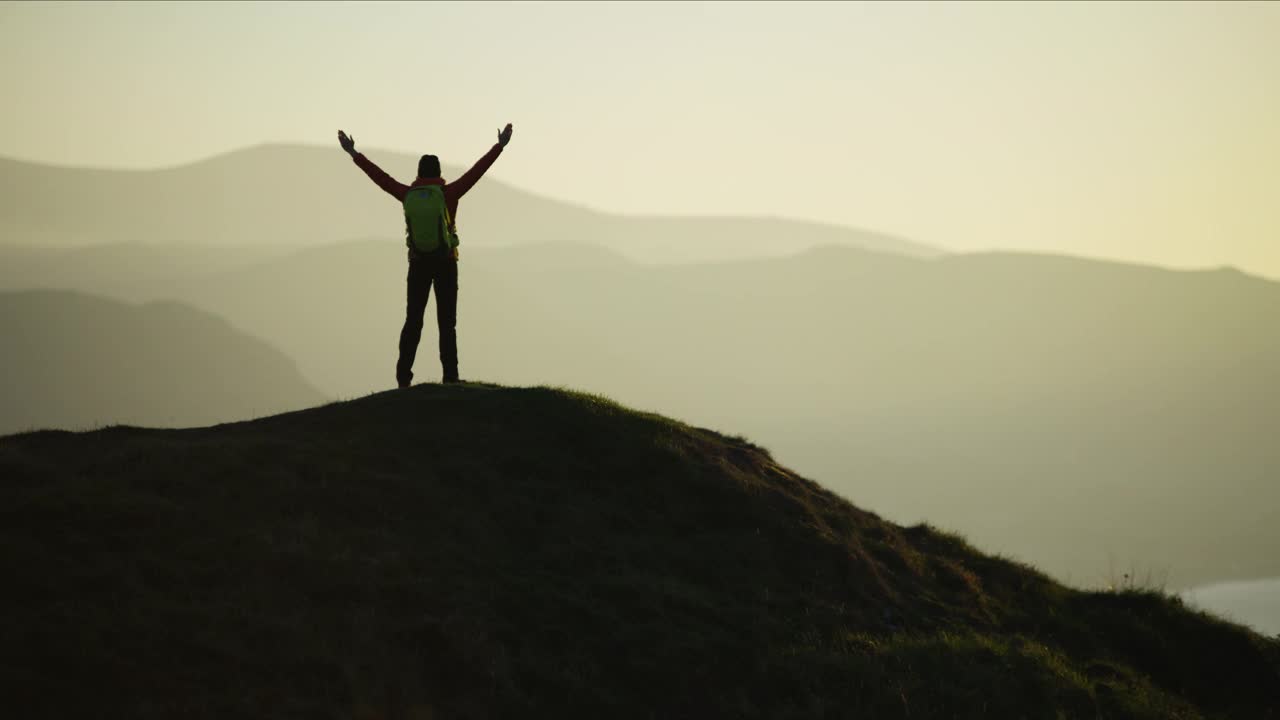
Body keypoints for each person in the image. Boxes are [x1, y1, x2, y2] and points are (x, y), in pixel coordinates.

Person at [338, 124, 513, 388]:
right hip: (445, 262)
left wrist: (353, 153)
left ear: (418, 173)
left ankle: (403, 378)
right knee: (447, 323)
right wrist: (499, 146)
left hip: (418, 263)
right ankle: (450, 377)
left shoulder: (408, 194)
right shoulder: (449, 193)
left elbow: (381, 178)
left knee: (413, 321)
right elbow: (477, 172)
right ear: (439, 173)